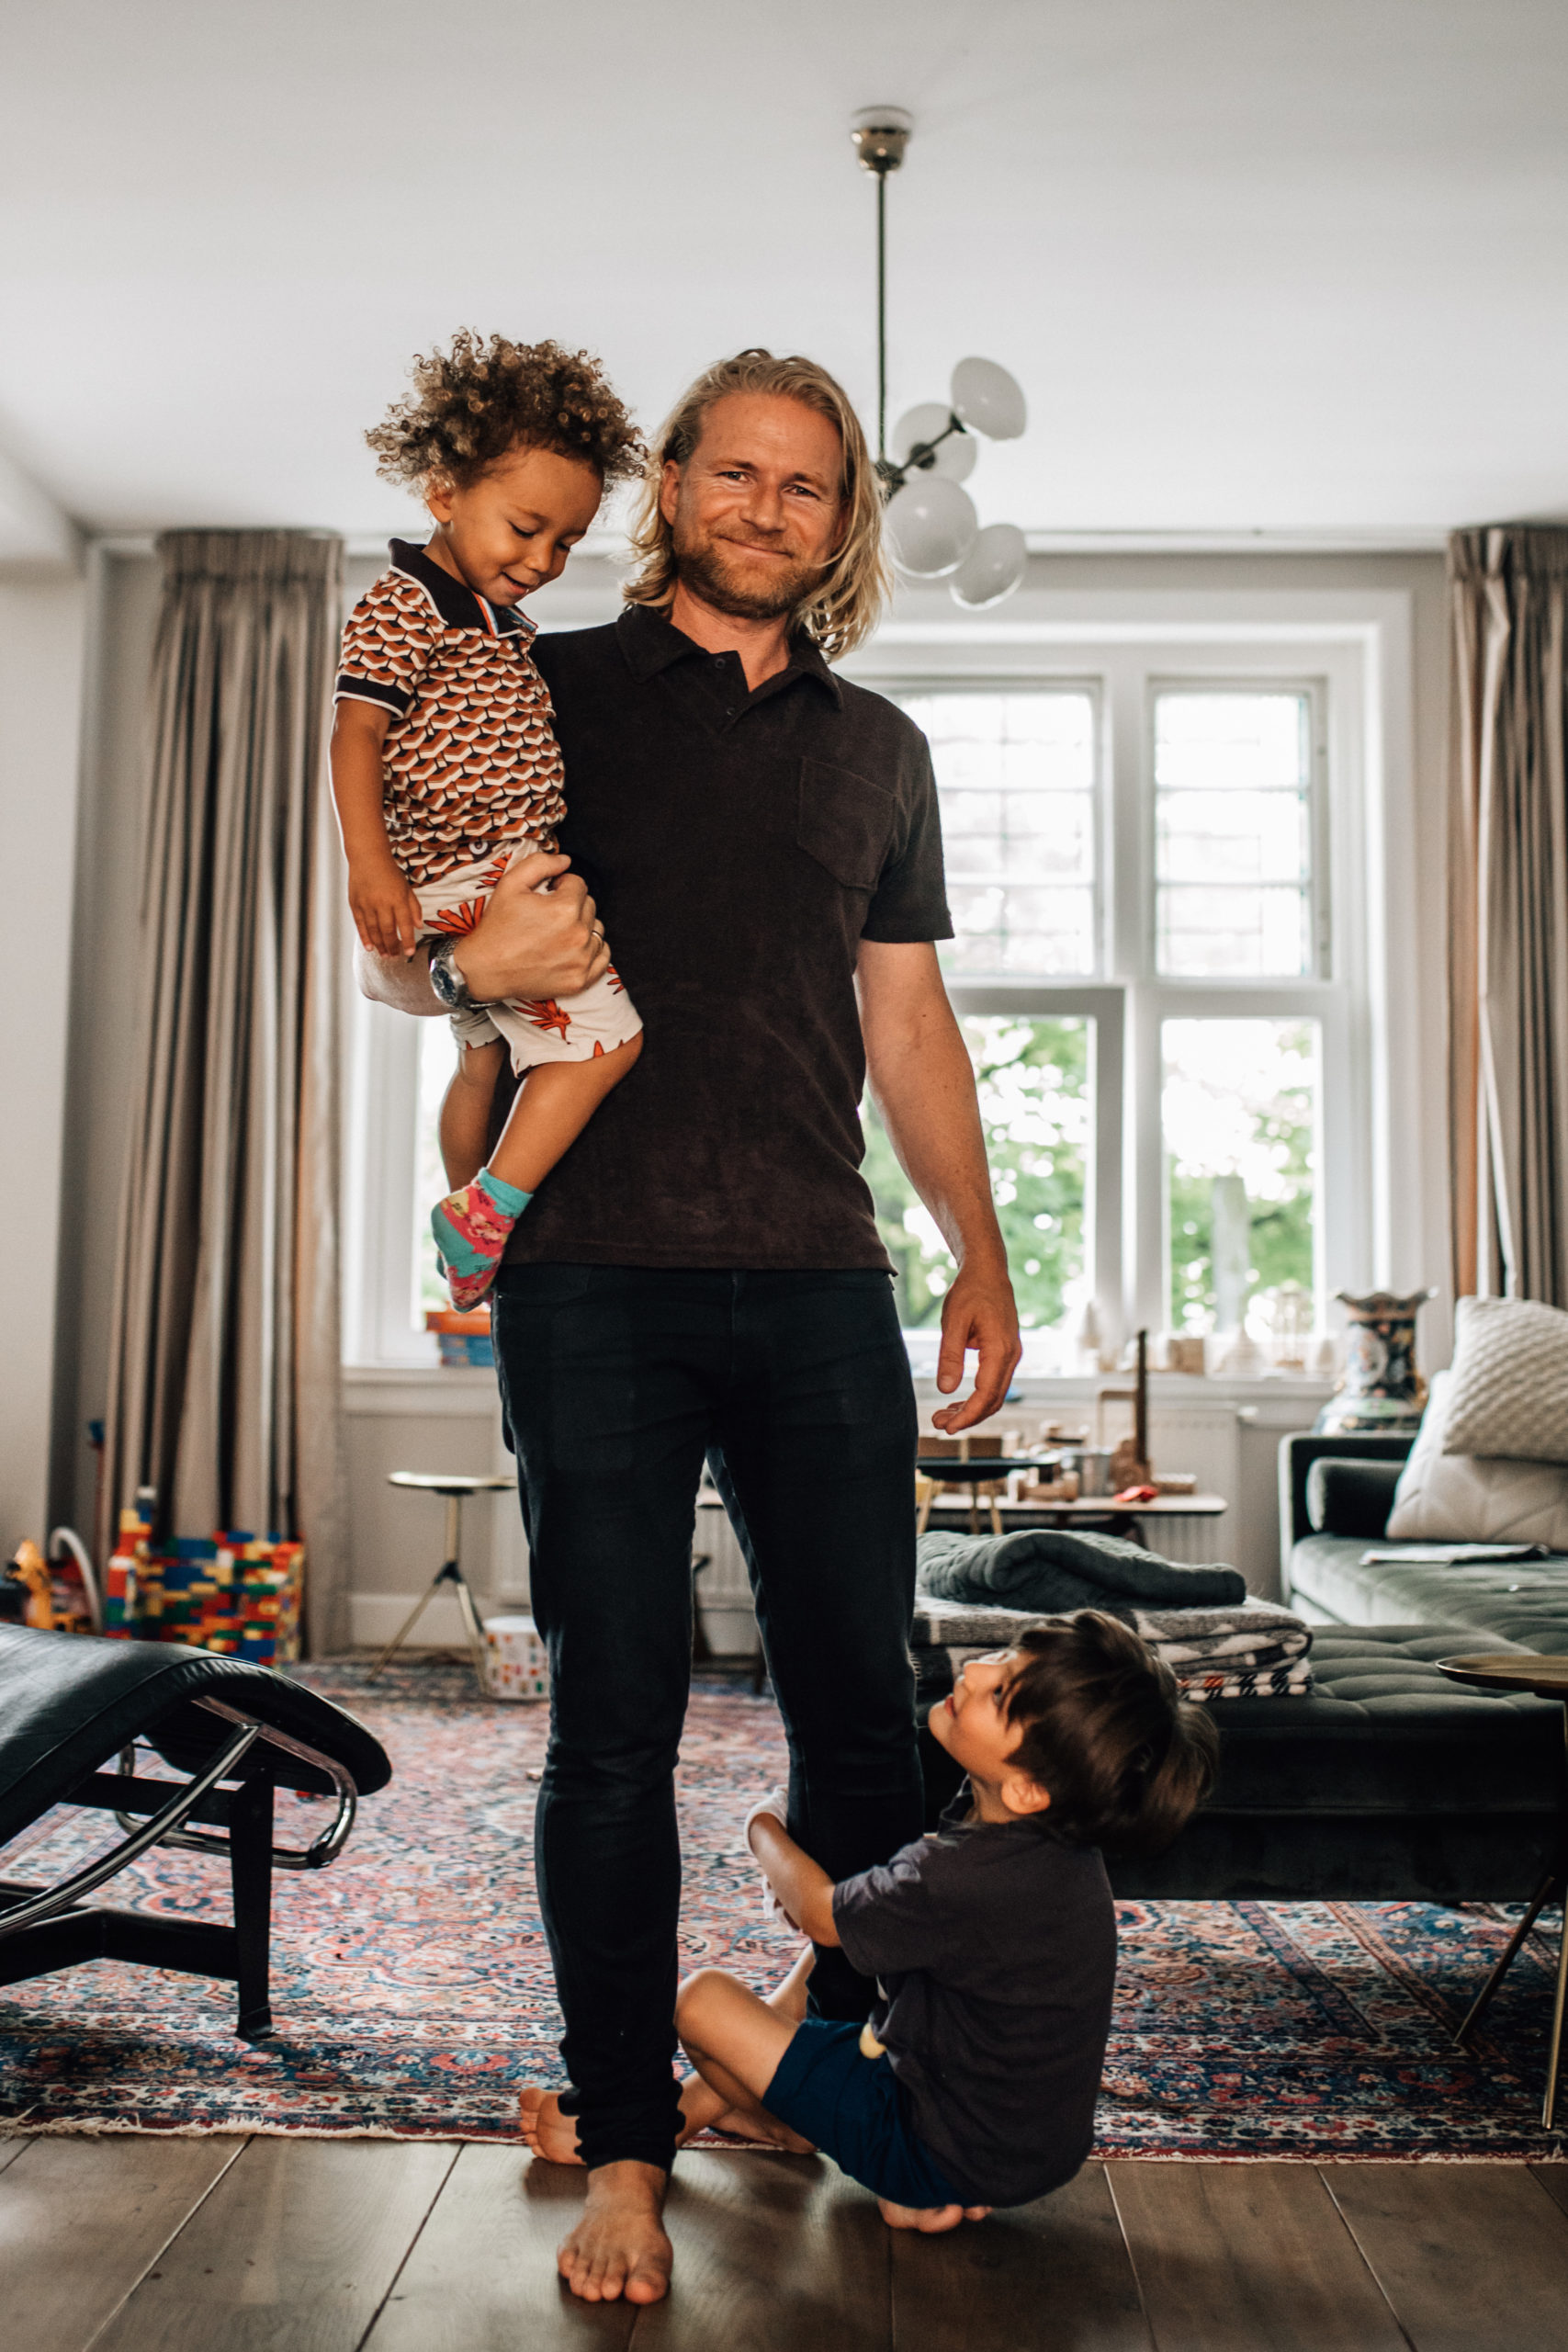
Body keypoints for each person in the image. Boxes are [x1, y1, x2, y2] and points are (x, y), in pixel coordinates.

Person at [360, 347, 1023, 2307]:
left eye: (806, 484)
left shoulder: (878, 749)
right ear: (675, 488)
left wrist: (971, 1243)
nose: (767, 505)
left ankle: (813, 2077)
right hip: (596, 1280)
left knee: (867, 1733)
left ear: (844, 522)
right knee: (611, 1726)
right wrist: (462, 950)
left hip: (823, 1278)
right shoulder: (539, 681)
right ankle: (627, 2140)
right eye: (733, 471)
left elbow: (904, 1023)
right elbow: (405, 926)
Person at [669, 1614, 1219, 2231]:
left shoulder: (959, 1877)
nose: (974, 1670)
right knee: (868, 1923)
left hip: (935, 2142)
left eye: (1000, 1693)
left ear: (1029, 1790)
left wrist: (761, 1827)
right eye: (1003, 1658)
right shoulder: (1061, 1850)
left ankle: (849, 2152)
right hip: (1027, 2151)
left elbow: (822, 1915)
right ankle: (888, 2178)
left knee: (701, 2002)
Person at [331, 333, 646, 1310]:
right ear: (443, 492)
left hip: (481, 871)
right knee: (611, 1039)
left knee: (486, 1056)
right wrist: (372, 870)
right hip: (474, 870)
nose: (544, 559)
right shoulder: (406, 603)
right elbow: (354, 738)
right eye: (524, 527)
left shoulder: (497, 623)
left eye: (566, 542)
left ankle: (468, 1216)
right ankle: (489, 1208)